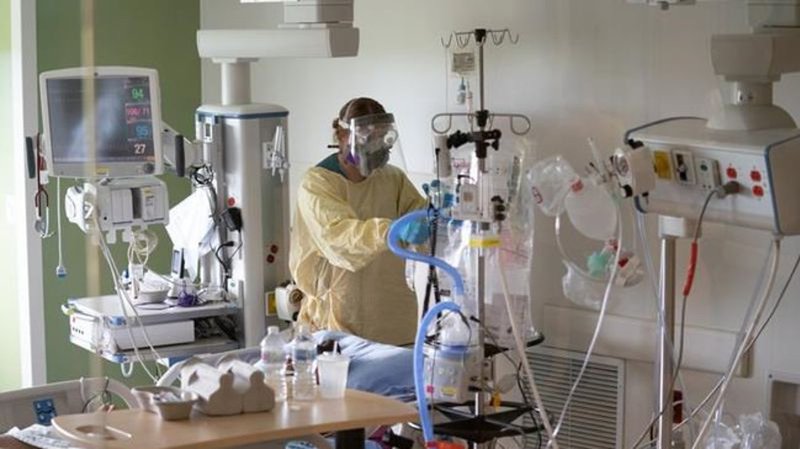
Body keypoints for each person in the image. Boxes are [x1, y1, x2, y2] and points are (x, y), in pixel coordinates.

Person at [289, 97, 428, 346]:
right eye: (367, 139)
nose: (376, 147)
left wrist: (436, 211)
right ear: (342, 136)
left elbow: (418, 219)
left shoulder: (391, 178)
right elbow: (340, 239)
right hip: (341, 319)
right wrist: (392, 231)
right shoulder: (318, 184)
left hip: (394, 320)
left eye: (381, 138)